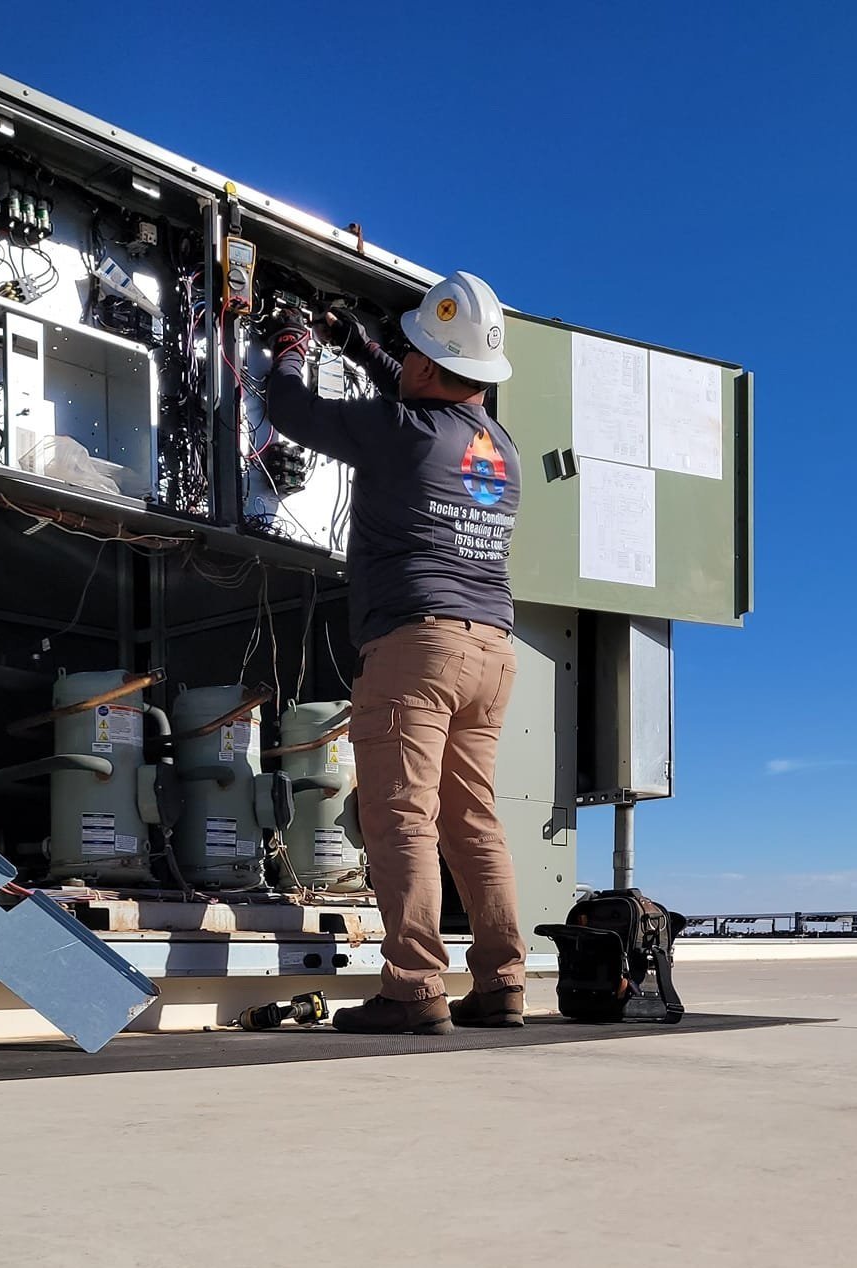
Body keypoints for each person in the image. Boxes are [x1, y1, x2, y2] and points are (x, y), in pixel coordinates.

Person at [265, 272, 524, 1035]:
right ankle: (503, 983)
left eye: (412, 350)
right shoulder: (494, 442)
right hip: (492, 650)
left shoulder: (397, 430)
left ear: (432, 362)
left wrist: (289, 345)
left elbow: (290, 409)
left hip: (418, 647)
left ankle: (413, 988)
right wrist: (363, 345)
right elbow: (418, 391)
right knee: (472, 821)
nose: (402, 359)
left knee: (400, 816)